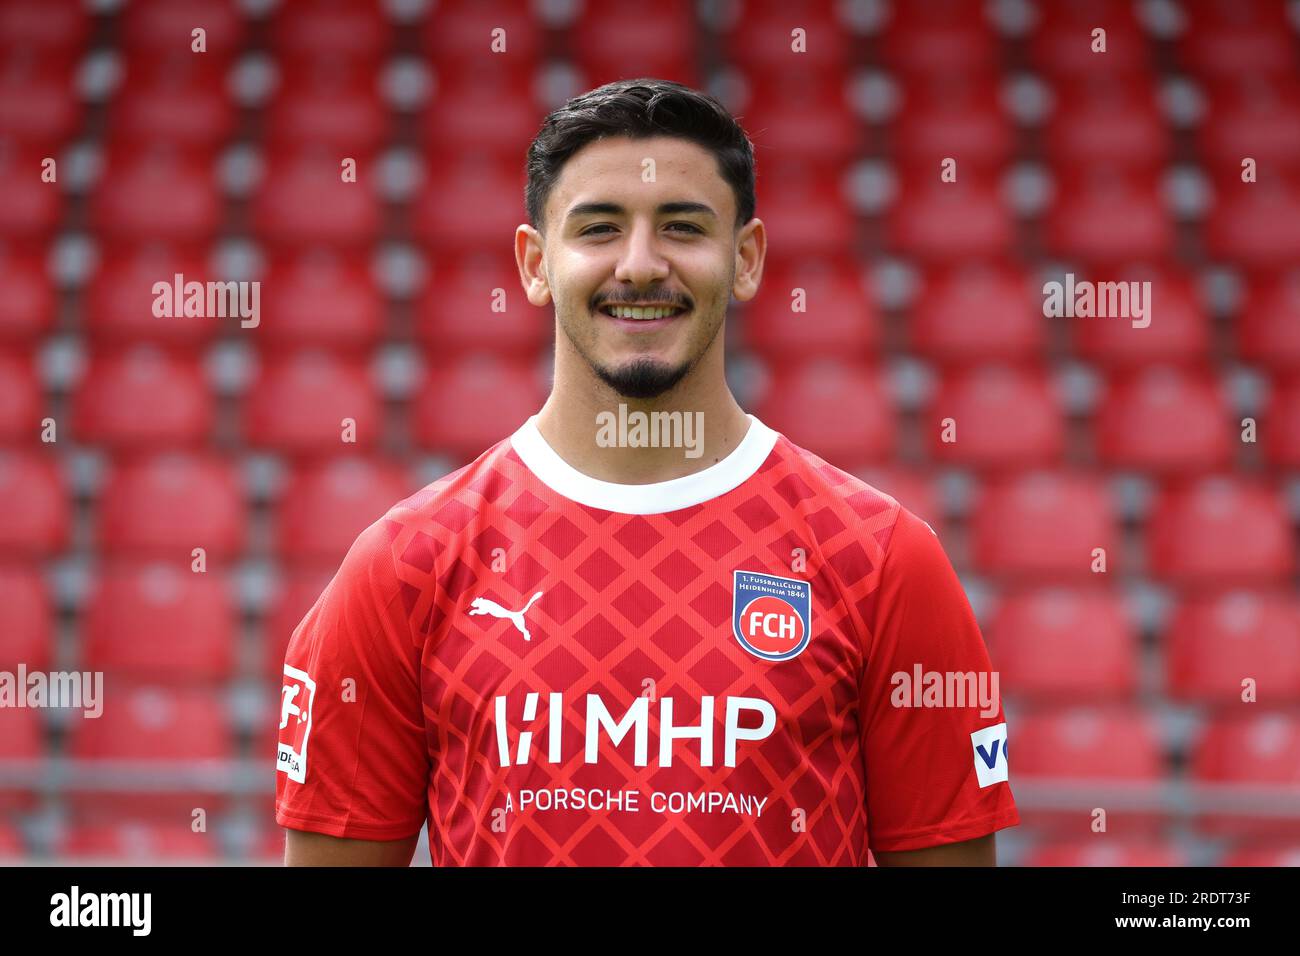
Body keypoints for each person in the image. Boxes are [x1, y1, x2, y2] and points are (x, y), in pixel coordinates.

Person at [276, 78, 1018, 866]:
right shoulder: (404, 568)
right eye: (598, 228)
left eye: (682, 227)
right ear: (534, 264)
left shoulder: (882, 560)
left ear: (746, 259)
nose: (639, 265)